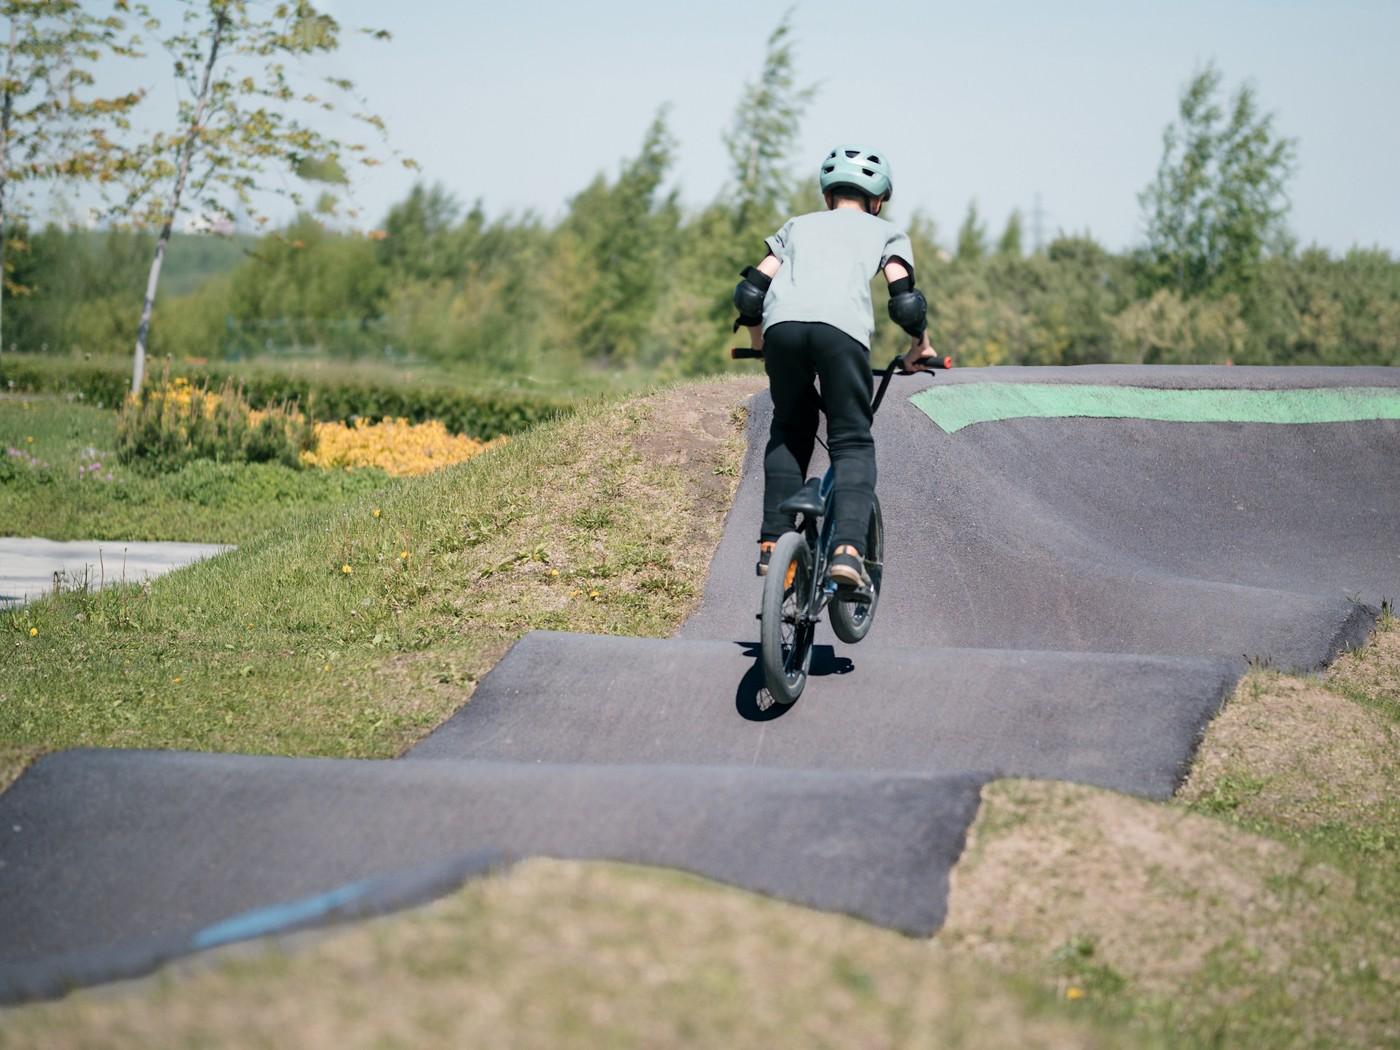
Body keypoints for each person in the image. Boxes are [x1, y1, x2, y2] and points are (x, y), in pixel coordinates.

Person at [732, 145, 938, 594]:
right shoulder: (886, 233)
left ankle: (772, 543)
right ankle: (847, 550)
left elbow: (751, 291)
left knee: (790, 427)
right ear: (877, 200)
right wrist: (920, 346)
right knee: (852, 441)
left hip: (783, 328)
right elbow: (904, 300)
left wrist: (759, 341)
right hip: (840, 333)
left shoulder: (797, 226)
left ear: (828, 196)